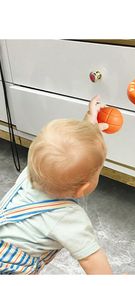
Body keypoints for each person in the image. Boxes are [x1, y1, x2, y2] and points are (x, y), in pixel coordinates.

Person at [0, 96, 113, 275]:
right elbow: (92, 260)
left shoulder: (31, 173)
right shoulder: (67, 217)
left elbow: (67, 151)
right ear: (83, 189)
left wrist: (90, 129)